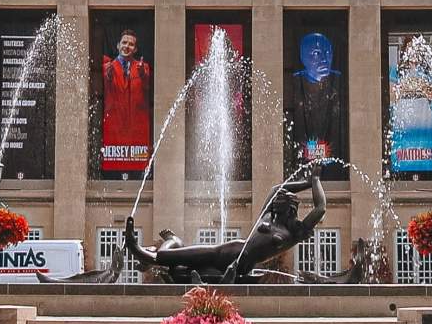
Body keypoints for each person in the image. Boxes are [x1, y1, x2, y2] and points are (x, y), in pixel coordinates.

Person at [124, 163, 326, 283]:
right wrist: (306, 182)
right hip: (225, 251)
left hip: (236, 263)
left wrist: (316, 180)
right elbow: (275, 188)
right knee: (179, 267)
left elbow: (320, 208)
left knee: (178, 259)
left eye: (282, 201)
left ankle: (147, 250)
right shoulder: (268, 217)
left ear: (291, 207)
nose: (277, 201)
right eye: (278, 201)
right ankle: (163, 245)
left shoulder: (293, 232)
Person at [102, 29, 151, 172]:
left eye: (131, 44)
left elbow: (147, 85)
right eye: (124, 43)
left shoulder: (143, 67)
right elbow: (106, 79)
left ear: (135, 49)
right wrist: (109, 74)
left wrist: (142, 74)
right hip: (114, 125)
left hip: (136, 127)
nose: (126, 46)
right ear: (118, 45)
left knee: (137, 165)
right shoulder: (108, 66)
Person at [292, 32, 341, 162]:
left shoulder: (339, 81)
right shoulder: (296, 82)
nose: (324, 59)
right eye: (316, 53)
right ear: (303, 57)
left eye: (327, 52)